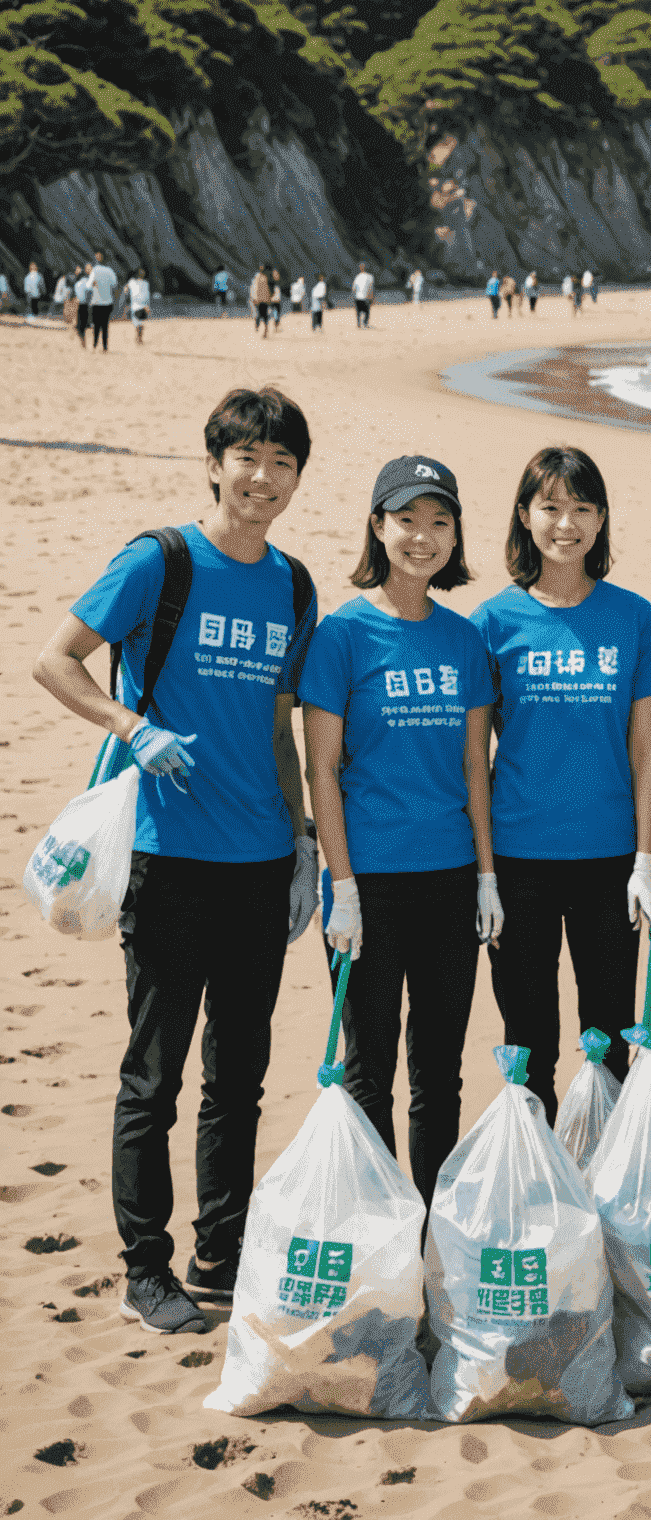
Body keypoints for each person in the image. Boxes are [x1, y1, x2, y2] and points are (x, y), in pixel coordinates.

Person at [31, 386, 321, 1335]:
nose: (263, 478)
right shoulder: (161, 561)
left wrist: (304, 842)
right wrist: (132, 726)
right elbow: (58, 660)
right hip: (163, 854)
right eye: (248, 458)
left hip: (260, 858)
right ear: (213, 463)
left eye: (282, 463)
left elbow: (280, 728)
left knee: (238, 1073)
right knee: (154, 1074)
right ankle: (144, 1269)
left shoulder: (295, 585)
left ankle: (220, 1255)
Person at [301, 456, 497, 1204]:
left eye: (439, 521)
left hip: (449, 882)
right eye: (407, 519)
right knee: (368, 1068)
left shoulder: (463, 639)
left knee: (439, 1070)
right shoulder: (341, 637)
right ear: (378, 527)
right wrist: (341, 887)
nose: (423, 536)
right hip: (369, 885)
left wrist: (486, 876)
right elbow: (323, 771)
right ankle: (378, 1220)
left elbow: (475, 768)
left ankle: (431, 1222)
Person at [472, 447, 651, 1121]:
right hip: (520, 859)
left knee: (610, 1043)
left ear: (601, 519)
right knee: (529, 1043)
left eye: (582, 508)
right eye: (550, 507)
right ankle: (538, 1188)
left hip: (611, 862)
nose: (566, 523)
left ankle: (605, 1187)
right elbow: (473, 756)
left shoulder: (634, 617)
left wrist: (649, 860)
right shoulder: (492, 624)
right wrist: (485, 874)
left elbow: (647, 751)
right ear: (525, 517)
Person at [89, 250, 117, 350]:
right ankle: (105, 347)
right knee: (105, 325)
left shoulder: (95, 270)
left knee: (96, 325)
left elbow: (88, 285)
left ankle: (95, 345)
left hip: (96, 302)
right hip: (108, 302)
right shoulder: (110, 270)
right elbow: (114, 284)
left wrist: (94, 284)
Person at [125, 268, 152, 346]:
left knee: (137, 323)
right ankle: (139, 338)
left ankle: (138, 338)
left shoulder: (132, 282)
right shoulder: (146, 283)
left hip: (135, 306)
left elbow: (126, 288)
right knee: (140, 323)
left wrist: (126, 291)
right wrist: (147, 306)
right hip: (143, 305)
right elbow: (147, 295)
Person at [249, 265, 271, 338]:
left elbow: (256, 289)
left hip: (261, 300)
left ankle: (262, 330)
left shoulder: (260, 277)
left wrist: (254, 298)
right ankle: (263, 330)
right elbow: (256, 289)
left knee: (261, 315)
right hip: (261, 300)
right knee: (263, 316)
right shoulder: (262, 277)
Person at [72, 267, 92, 348]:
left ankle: (83, 343)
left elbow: (75, 296)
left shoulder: (77, 284)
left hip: (79, 305)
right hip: (88, 306)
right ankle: (87, 343)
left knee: (80, 327)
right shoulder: (88, 283)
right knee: (87, 326)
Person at [352, 261, 374, 327]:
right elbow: (371, 288)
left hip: (358, 297)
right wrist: (371, 297)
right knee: (367, 311)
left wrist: (354, 297)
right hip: (365, 297)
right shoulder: (370, 276)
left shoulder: (357, 277)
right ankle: (365, 323)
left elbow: (353, 289)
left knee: (358, 311)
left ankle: (359, 324)